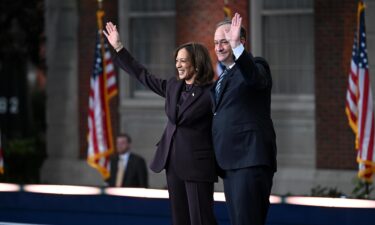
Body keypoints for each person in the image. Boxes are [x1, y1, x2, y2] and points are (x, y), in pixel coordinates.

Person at [104, 22, 218, 225]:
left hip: (197, 165)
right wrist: (119, 48)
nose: (178, 65)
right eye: (177, 61)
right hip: (172, 163)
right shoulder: (173, 87)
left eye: (183, 61)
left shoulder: (211, 92)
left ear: (197, 63)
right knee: (179, 220)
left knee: (201, 220)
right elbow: (143, 76)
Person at [211, 13, 277, 225]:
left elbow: (255, 79)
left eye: (225, 42)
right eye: (216, 43)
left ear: (241, 41)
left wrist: (236, 46)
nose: (219, 47)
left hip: (249, 159)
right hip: (230, 163)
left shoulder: (257, 66)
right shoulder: (223, 77)